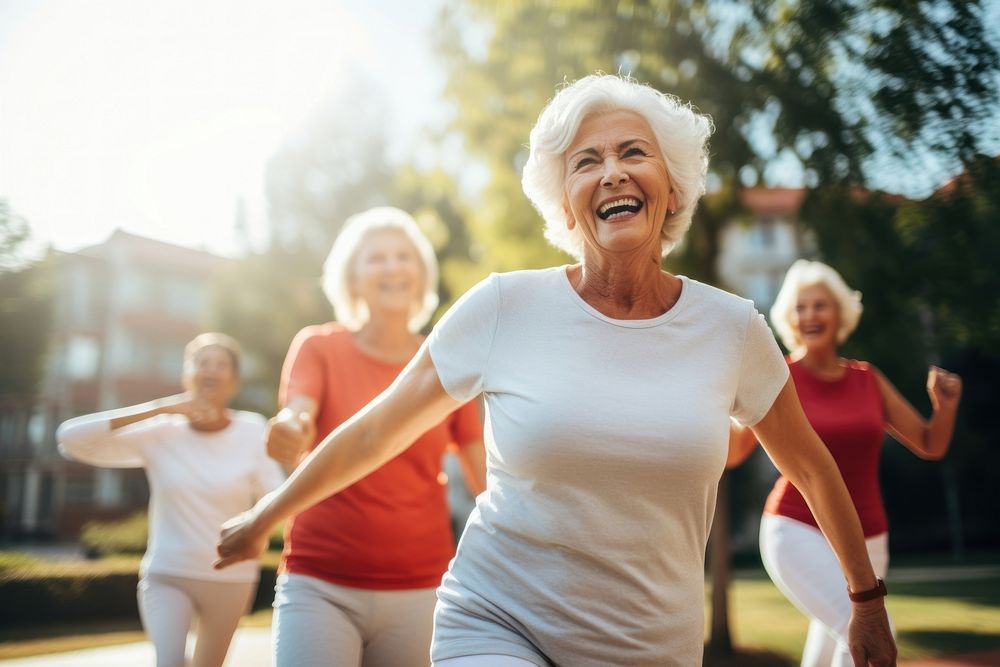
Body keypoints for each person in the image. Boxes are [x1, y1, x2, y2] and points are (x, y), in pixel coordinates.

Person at [216, 74, 896, 667]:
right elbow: (373, 433)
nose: (612, 172)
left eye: (635, 152)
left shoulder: (733, 328)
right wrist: (263, 516)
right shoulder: (504, 306)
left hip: (652, 644)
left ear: (673, 185)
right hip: (495, 618)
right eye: (586, 162)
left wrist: (865, 599)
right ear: (567, 204)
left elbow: (810, 466)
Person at [261, 206, 485, 667]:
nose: (391, 266)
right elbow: (299, 412)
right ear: (353, 277)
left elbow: (484, 478)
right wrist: (289, 427)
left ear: (421, 274)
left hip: (421, 588)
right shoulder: (319, 346)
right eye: (376, 257)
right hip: (319, 582)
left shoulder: (446, 361)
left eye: (402, 256)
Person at [727, 259, 962, 667]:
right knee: (871, 639)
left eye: (820, 305)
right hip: (796, 529)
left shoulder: (868, 378)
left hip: (871, 540)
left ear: (840, 314)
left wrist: (946, 407)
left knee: (828, 653)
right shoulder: (777, 377)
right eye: (801, 307)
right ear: (790, 319)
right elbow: (733, 453)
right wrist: (715, 404)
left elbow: (930, 444)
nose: (811, 315)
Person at [58, 333, 284, 667]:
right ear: (187, 375)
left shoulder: (252, 429)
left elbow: (277, 493)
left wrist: (258, 529)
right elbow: (71, 440)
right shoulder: (159, 431)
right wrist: (161, 407)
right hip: (168, 574)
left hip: (231, 577)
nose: (210, 370)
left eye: (221, 364)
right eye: (201, 362)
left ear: (233, 380)